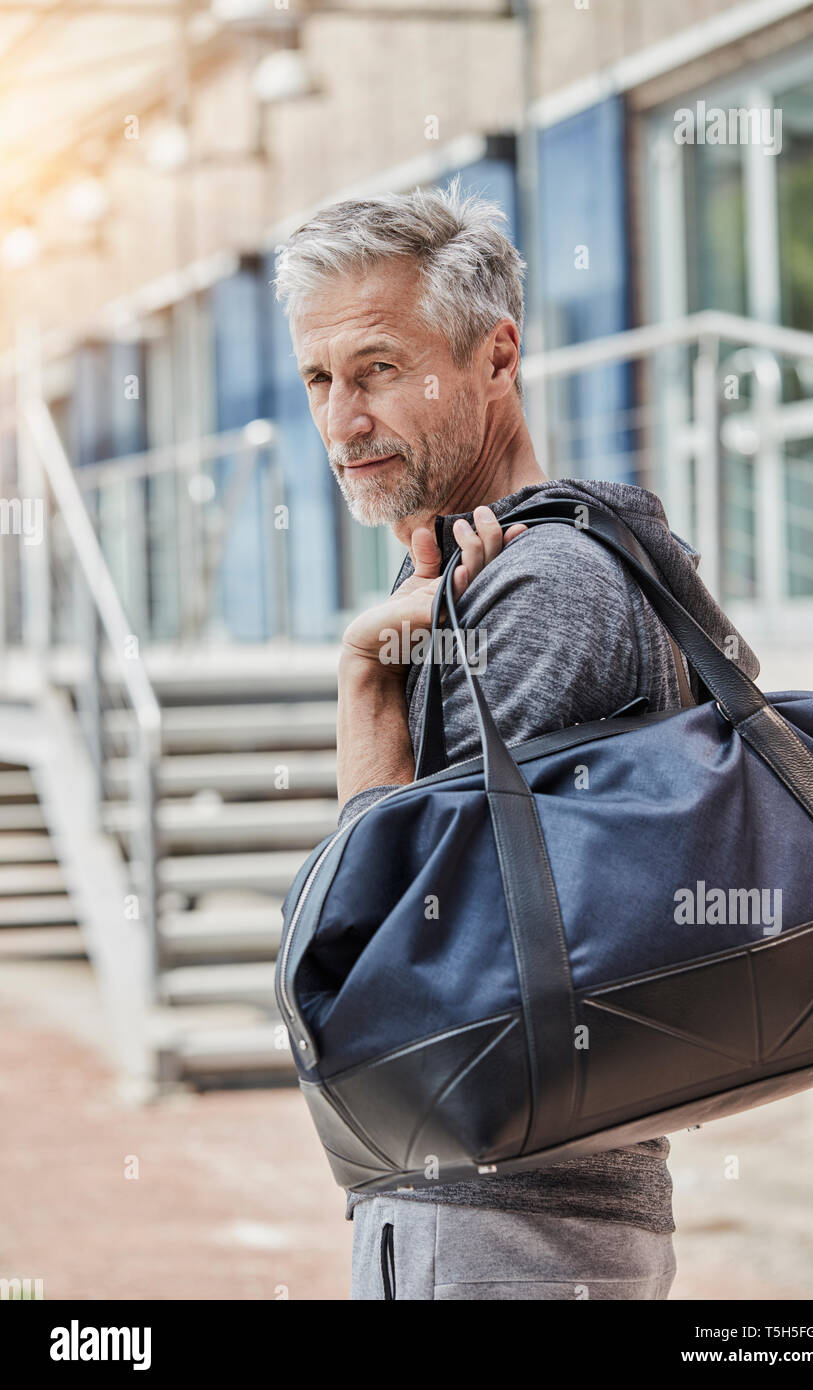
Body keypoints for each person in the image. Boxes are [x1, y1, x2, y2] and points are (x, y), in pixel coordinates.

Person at [274, 180, 759, 1301]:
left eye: (379, 370)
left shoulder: (538, 587)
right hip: (514, 1211)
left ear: (497, 358)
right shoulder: (490, 571)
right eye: (318, 380)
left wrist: (365, 685)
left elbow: (405, 962)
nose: (341, 422)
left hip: (502, 1227)